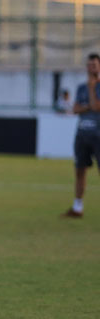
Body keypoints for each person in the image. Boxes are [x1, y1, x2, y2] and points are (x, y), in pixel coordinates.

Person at [63, 53, 100, 218]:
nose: (91, 67)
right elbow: (76, 109)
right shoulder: (81, 87)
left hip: (98, 136)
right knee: (79, 170)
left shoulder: (94, 87)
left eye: (94, 64)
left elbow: (96, 106)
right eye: (89, 64)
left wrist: (92, 88)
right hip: (82, 135)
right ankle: (77, 207)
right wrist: (88, 106)